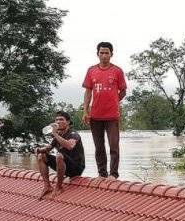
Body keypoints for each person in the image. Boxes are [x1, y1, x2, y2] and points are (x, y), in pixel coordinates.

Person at [82, 41, 127, 180]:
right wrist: (85, 111)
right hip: (95, 115)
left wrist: (114, 101)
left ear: (111, 54)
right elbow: (88, 91)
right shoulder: (91, 70)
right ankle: (102, 174)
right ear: (97, 54)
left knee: (114, 146)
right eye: (101, 53)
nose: (104, 55)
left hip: (112, 116)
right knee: (99, 147)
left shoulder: (117, 71)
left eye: (107, 53)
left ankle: (113, 174)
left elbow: (123, 91)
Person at [35, 111, 86, 198]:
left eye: (61, 119)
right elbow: (48, 148)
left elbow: (69, 146)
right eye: (57, 120)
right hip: (63, 164)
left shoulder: (73, 134)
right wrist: (39, 150)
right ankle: (47, 186)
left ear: (68, 122)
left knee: (59, 155)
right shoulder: (58, 135)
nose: (58, 122)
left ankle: (59, 186)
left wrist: (54, 134)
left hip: (76, 167)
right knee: (41, 156)